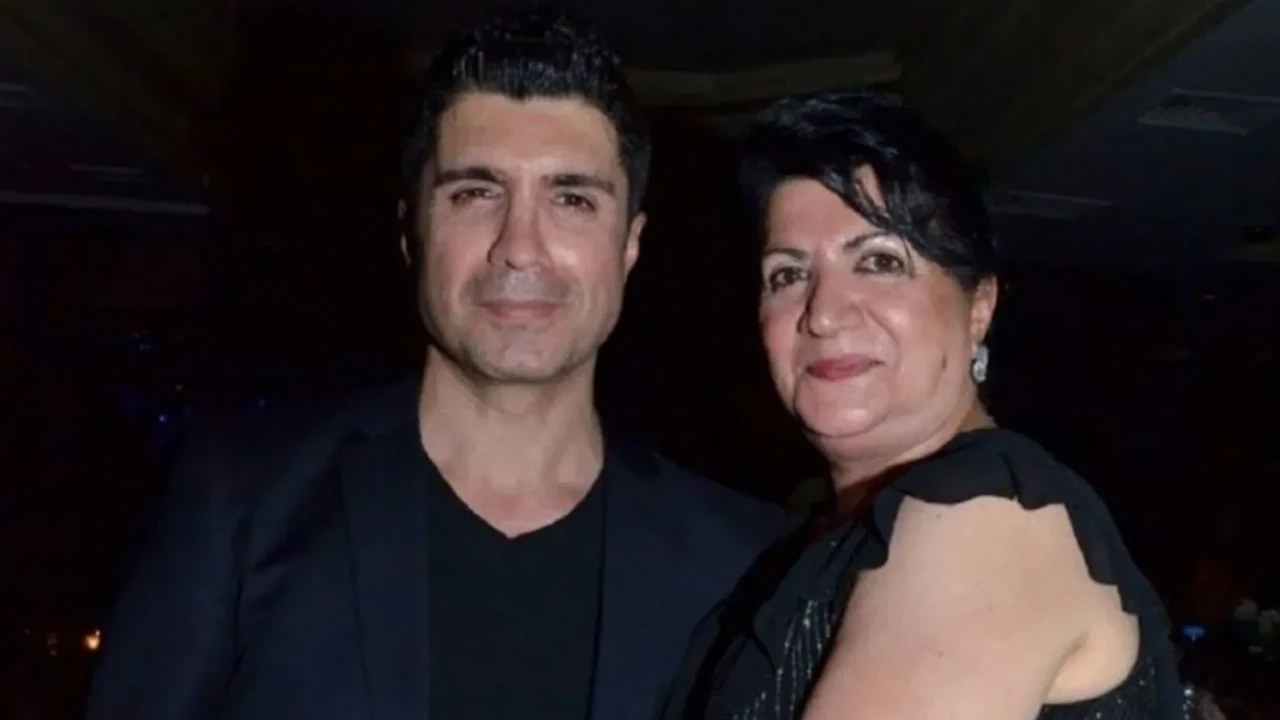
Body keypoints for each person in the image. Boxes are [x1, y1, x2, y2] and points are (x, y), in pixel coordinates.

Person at [85, 8, 785, 720]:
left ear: (629, 245)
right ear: (412, 231)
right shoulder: (243, 503)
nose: (520, 246)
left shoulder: (745, 566)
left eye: (572, 199)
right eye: (476, 194)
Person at [659, 92, 1184, 719]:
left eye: (880, 262)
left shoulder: (984, 519)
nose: (823, 313)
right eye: (788, 274)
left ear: (979, 308)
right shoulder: (811, 543)